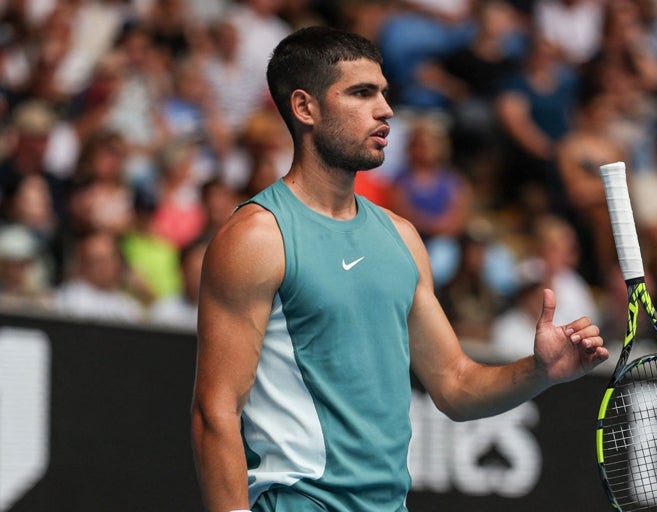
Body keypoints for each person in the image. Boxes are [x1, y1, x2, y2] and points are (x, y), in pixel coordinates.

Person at [191, 26, 608, 512]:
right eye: (362, 93)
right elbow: (214, 413)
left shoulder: (401, 236)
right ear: (305, 108)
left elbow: (455, 385)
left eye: (385, 93)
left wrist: (540, 372)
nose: (386, 110)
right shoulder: (258, 237)